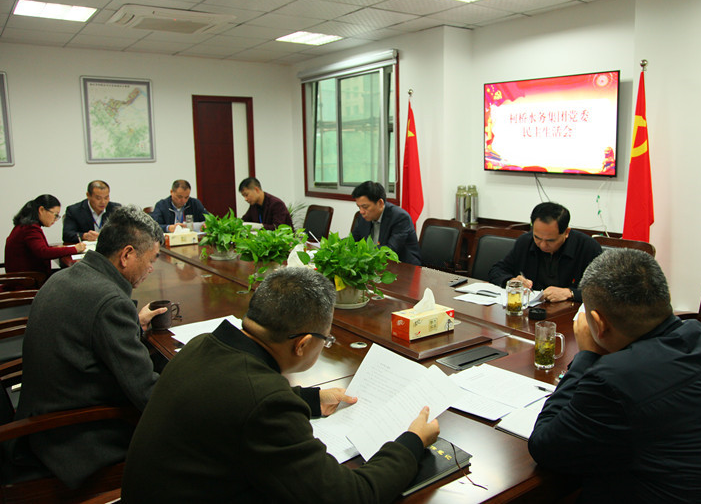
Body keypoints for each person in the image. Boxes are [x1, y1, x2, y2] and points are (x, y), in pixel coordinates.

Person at [121, 267, 439, 503]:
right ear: (302, 344)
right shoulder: (265, 403)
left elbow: (235, 399)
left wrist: (311, 399)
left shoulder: (203, 344)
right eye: (326, 339)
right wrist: (411, 443)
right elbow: (349, 496)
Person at [528, 249, 701, 503]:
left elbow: (545, 447)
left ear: (598, 324)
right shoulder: (700, 337)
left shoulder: (612, 379)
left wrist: (586, 355)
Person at [14, 205, 166, 489]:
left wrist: (131, 323)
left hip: (39, 421)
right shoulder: (111, 302)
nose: (150, 269)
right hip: (74, 439)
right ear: (127, 255)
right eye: (150, 260)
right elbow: (146, 392)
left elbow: (88, 325)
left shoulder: (65, 277)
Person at [488, 202, 601, 302]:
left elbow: (603, 291)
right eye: (537, 238)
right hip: (531, 309)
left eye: (550, 240)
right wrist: (511, 281)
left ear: (566, 232)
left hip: (569, 313)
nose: (542, 245)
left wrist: (570, 293)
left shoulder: (587, 247)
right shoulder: (525, 241)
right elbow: (497, 270)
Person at [4, 194, 87, 275]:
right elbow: (43, 252)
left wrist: (54, 249)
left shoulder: (26, 225)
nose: (56, 219)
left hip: (28, 276)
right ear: (41, 210)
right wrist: (75, 249)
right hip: (29, 279)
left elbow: (38, 249)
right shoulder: (30, 228)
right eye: (55, 215)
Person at [351, 181, 422, 265]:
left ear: (380, 203)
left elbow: (390, 251)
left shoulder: (400, 218)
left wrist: (362, 251)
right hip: (376, 265)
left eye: (365, 207)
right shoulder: (363, 217)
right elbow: (353, 241)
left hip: (404, 267)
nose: (361, 211)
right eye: (359, 207)